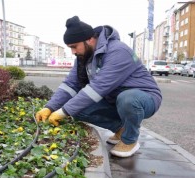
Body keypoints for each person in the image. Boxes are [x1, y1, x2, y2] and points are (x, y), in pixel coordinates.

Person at [35, 16, 162, 158]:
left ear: (89, 39)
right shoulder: (84, 56)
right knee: (76, 109)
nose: (73, 52)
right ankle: (121, 129)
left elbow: (97, 88)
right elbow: (70, 85)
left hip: (144, 98)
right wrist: (50, 107)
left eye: (74, 47)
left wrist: (63, 111)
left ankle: (130, 140)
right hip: (114, 100)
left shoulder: (118, 51)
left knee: (128, 99)